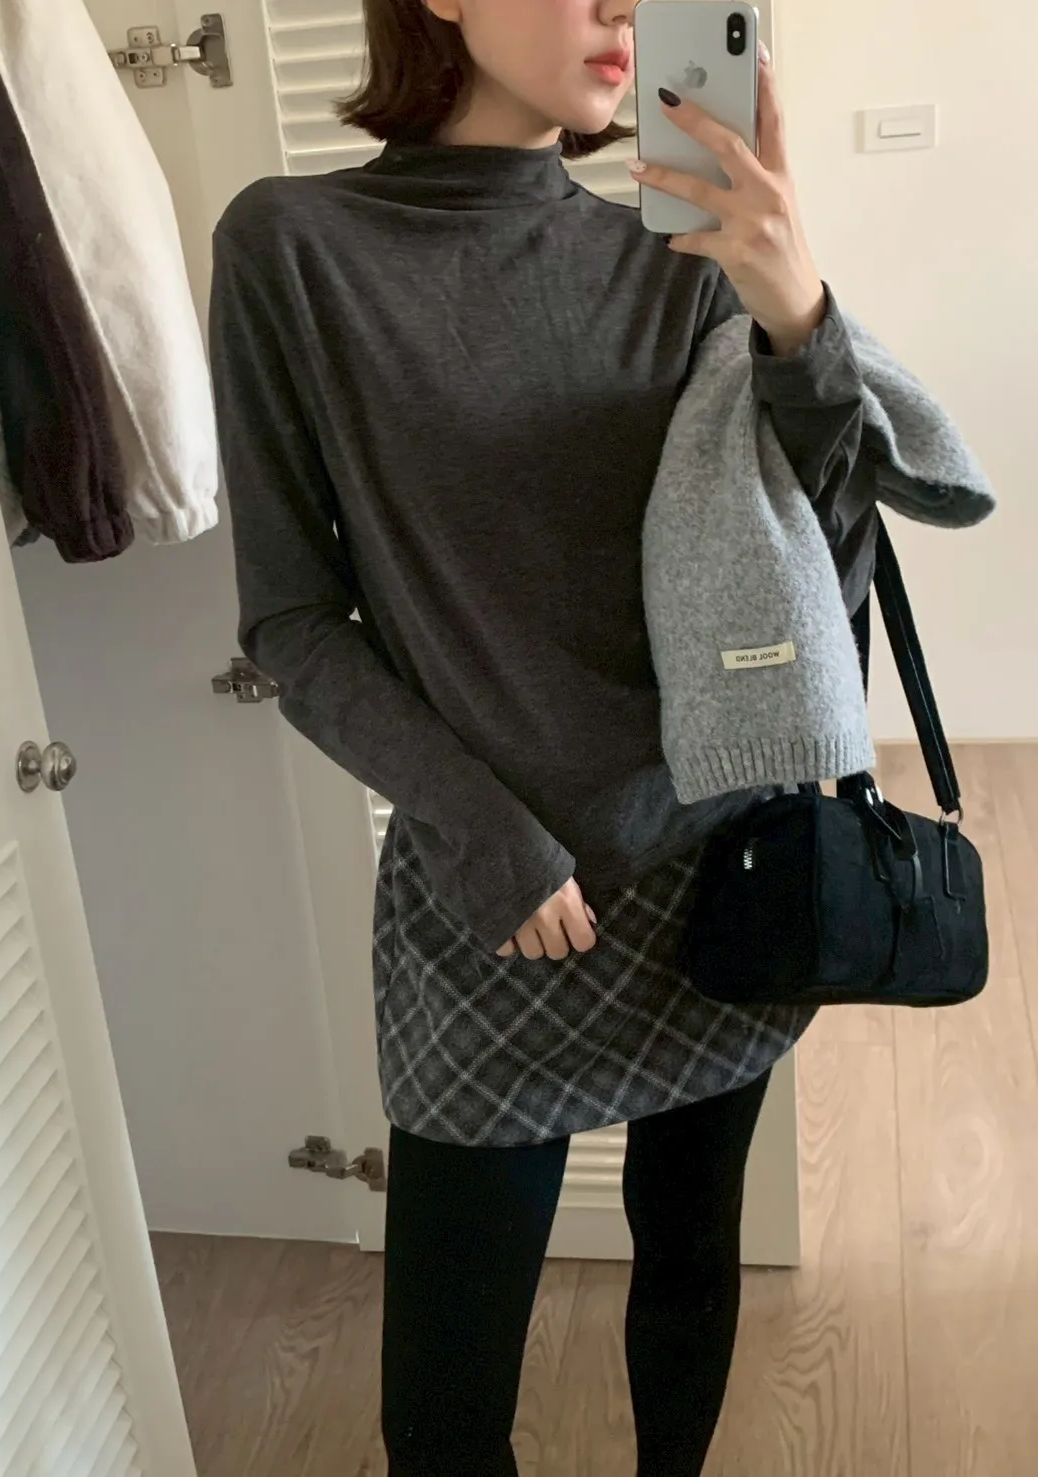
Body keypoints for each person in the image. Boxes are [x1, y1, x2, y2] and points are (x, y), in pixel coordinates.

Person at [208, 2, 877, 1472]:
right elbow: (292, 622)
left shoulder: (677, 262)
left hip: (716, 873)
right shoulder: (292, 248)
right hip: (491, 903)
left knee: (689, 1259)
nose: (624, 7)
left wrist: (797, 318)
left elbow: (820, 585)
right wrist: (483, 834)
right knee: (442, 1410)